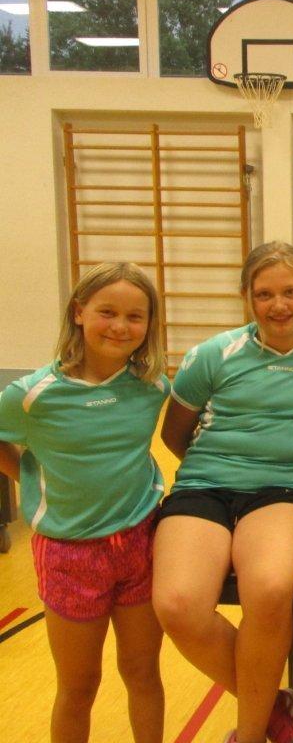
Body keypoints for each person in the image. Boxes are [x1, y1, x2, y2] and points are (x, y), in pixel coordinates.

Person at [151, 242, 293, 743]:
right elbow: (175, 433)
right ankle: (276, 710)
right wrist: (214, 471)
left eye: (291, 292)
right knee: (177, 605)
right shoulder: (212, 355)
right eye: (264, 294)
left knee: (269, 588)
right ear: (246, 297)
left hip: (286, 489)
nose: (278, 305)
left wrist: (291, 464)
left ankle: (250, 732)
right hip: (204, 486)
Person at [0, 262, 168, 743]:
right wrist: (27, 473)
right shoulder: (32, 396)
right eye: (107, 312)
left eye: (135, 317)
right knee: (78, 687)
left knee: (143, 673)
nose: (120, 326)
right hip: (69, 554)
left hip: (140, 544)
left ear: (149, 325)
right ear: (79, 312)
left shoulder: (153, 388)